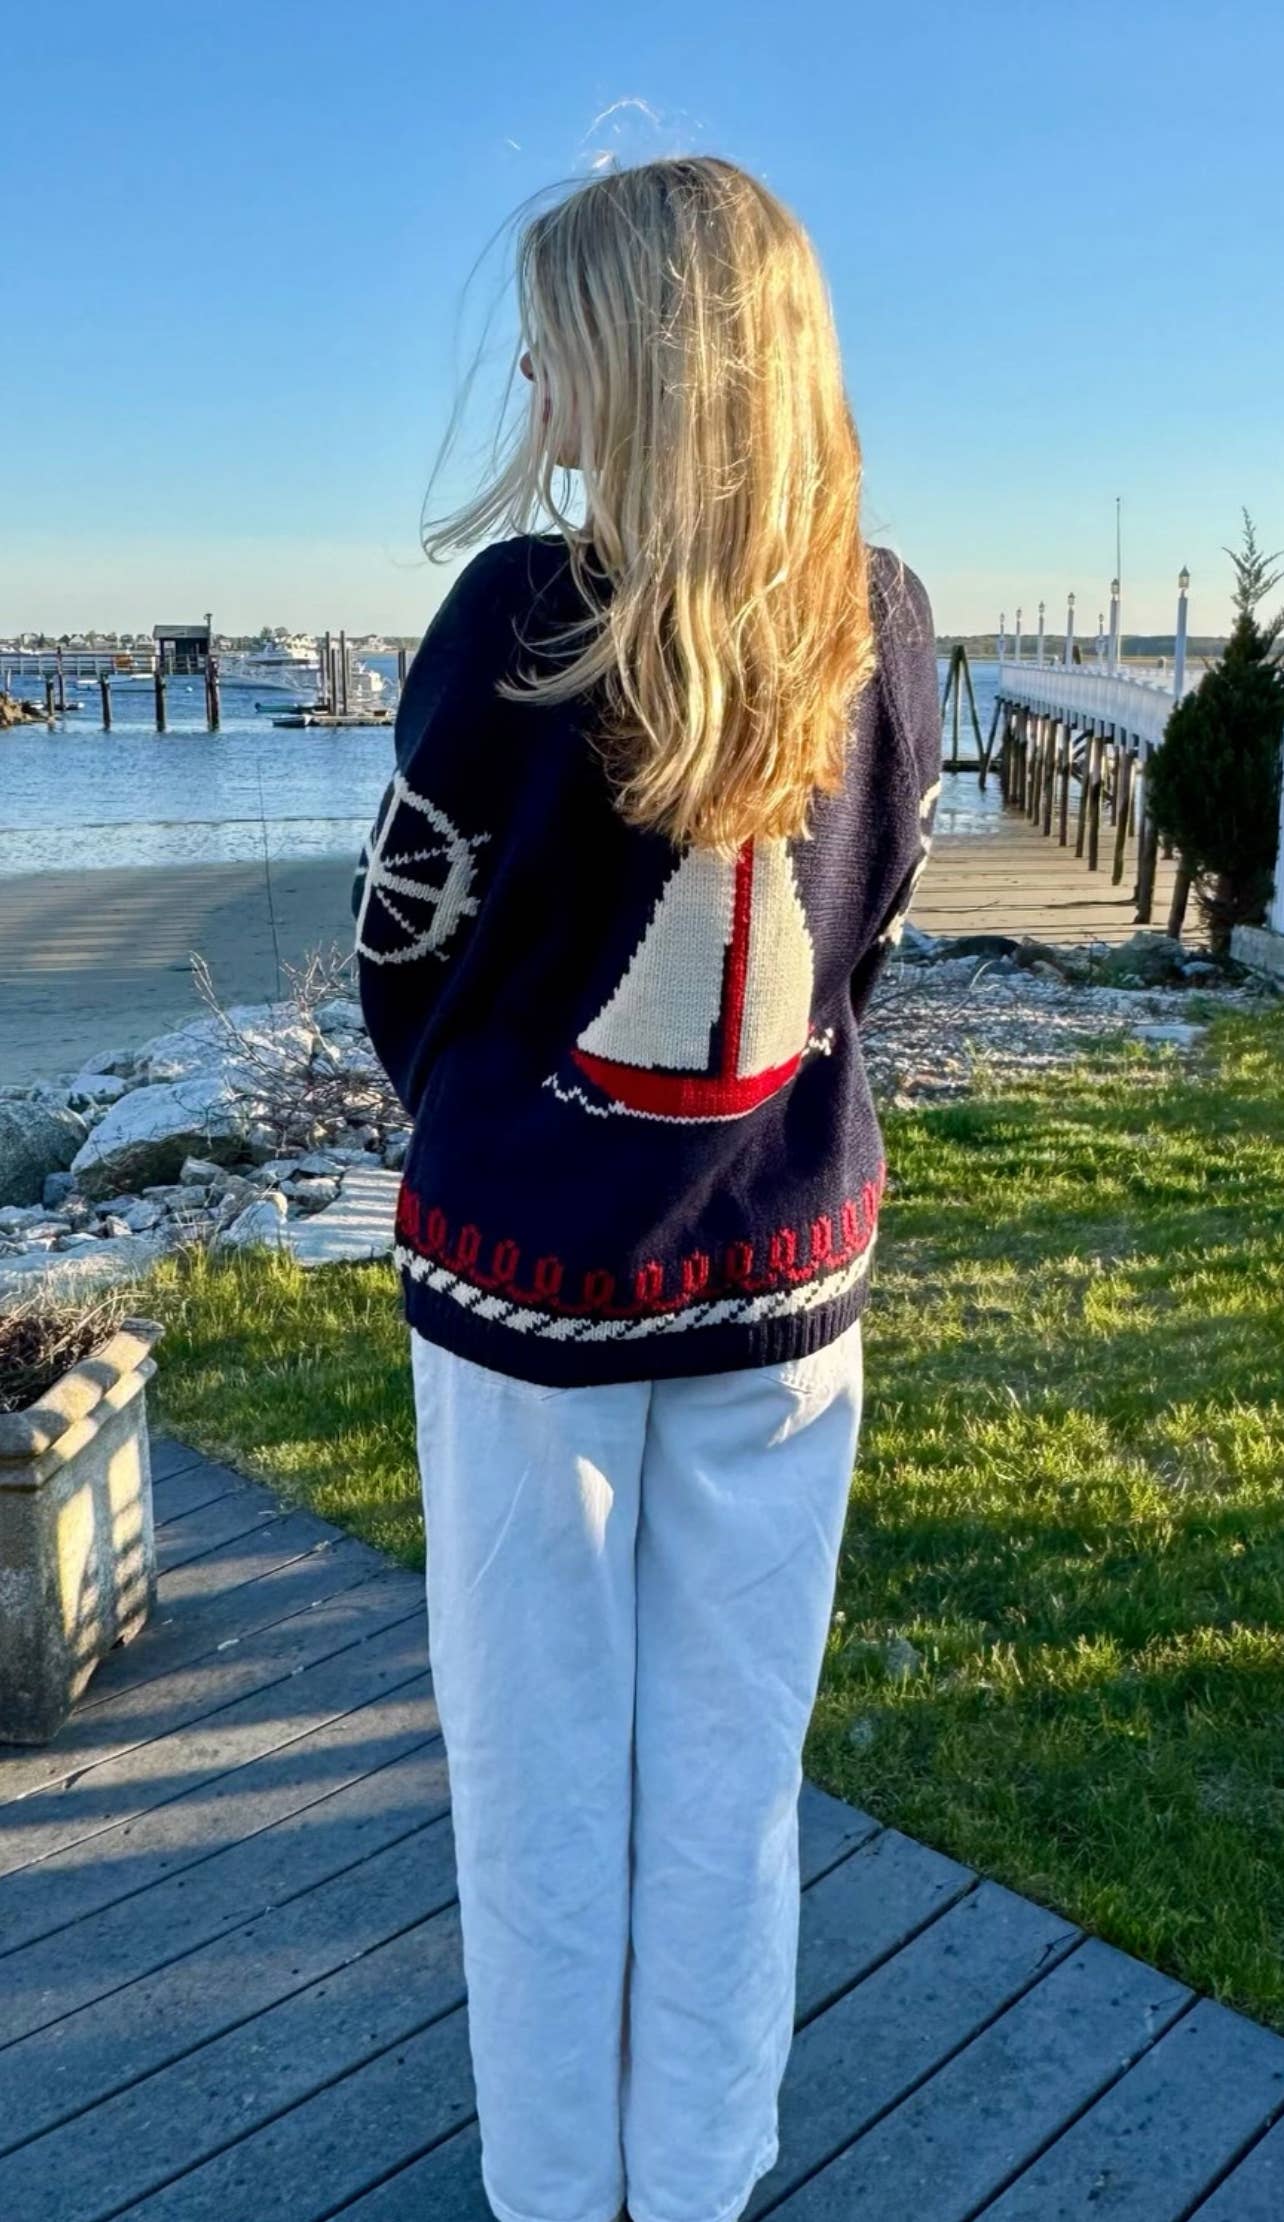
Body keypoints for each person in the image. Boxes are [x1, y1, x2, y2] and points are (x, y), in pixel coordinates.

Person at [356, 155, 939, 2222]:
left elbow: (402, 947)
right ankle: (692, 2183)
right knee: (724, 1783)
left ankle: (552, 2193)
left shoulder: (520, 619)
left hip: (529, 1300)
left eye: (557, 332)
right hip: (785, 1285)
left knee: (538, 1796)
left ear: (638, 360)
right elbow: (866, 941)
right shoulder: (887, 619)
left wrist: (499, 1131)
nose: (530, 367)